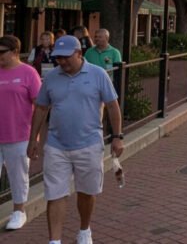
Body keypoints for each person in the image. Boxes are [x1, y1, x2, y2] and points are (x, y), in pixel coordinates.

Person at [27, 35, 124, 244]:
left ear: (79, 53)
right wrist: (33, 139)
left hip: (89, 144)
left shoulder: (98, 74)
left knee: (87, 193)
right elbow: (42, 107)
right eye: (58, 57)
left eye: (65, 57)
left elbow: (113, 106)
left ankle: (84, 229)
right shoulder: (52, 77)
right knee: (55, 194)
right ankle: (54, 241)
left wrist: (117, 137)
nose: (61, 61)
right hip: (56, 145)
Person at [1, 36, 42, 230]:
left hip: (18, 134)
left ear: (15, 52)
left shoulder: (28, 73)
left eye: (2, 52)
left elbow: (40, 105)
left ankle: (19, 211)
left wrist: (35, 136)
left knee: (18, 175)